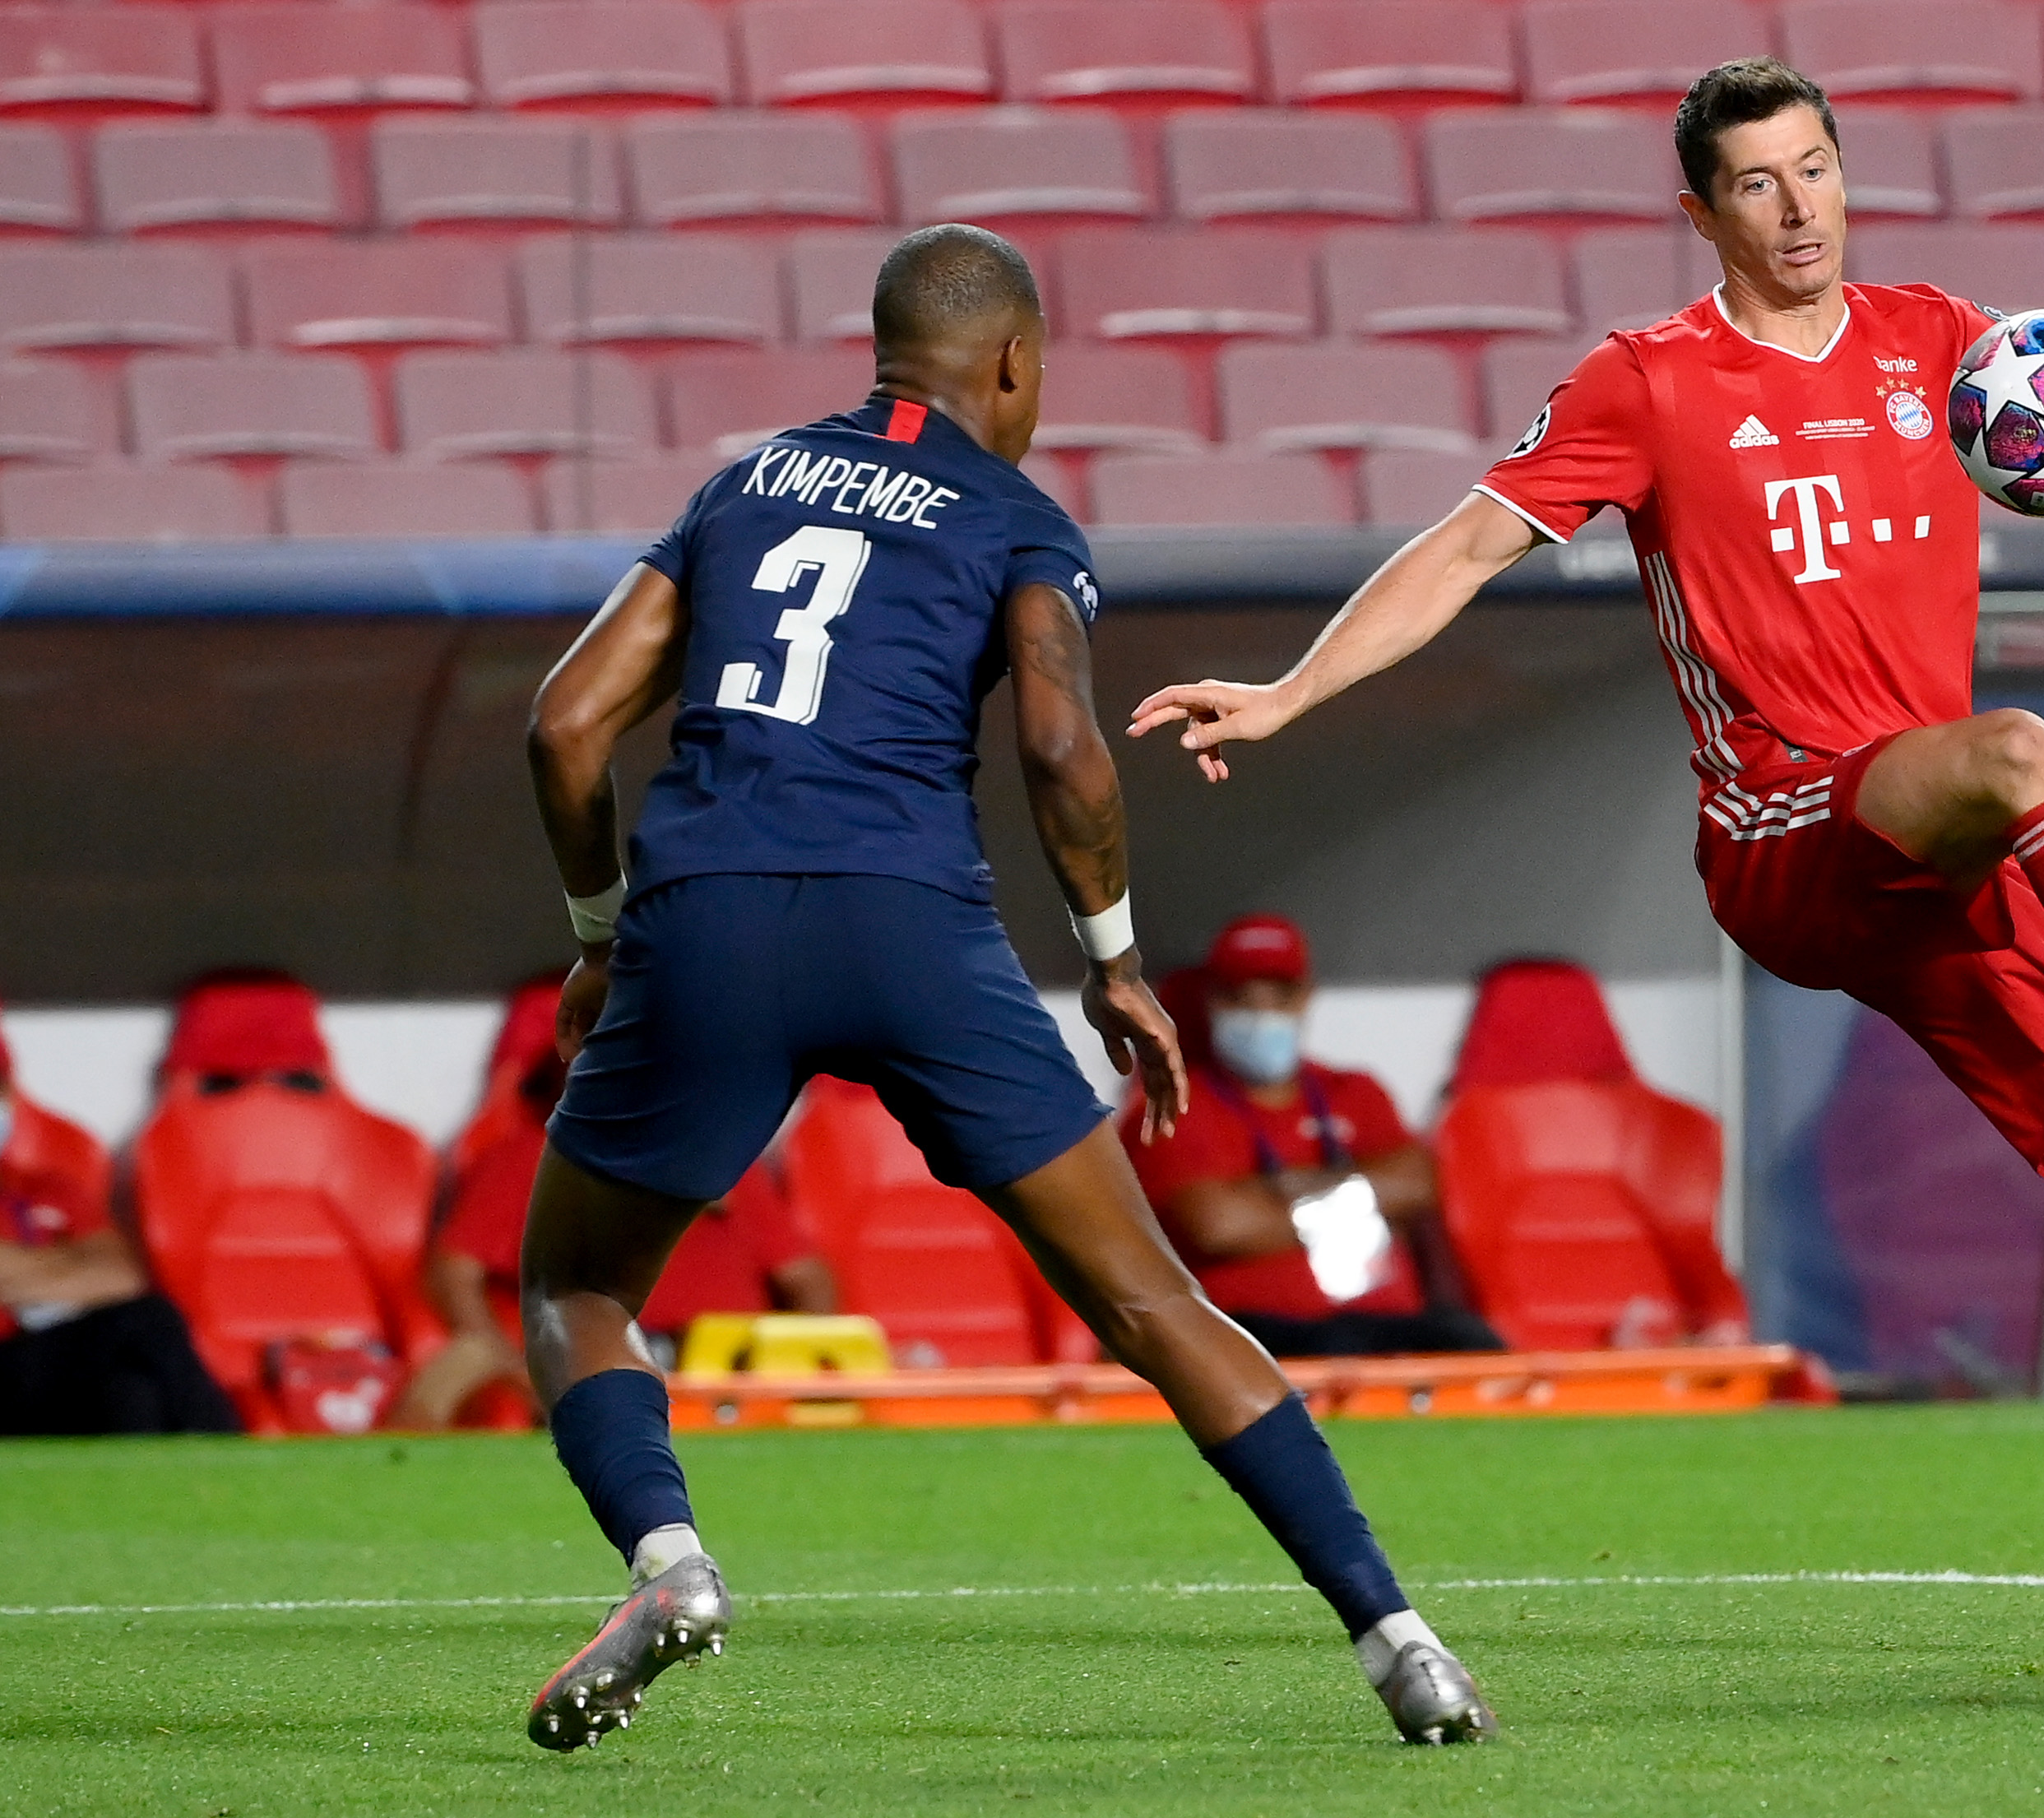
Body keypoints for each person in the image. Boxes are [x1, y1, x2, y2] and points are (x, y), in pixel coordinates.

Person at [1130, 60, 2044, 1662]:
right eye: (1757, 184)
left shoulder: (1943, 344)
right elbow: (1464, 545)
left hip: (1930, 846)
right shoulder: (1643, 382)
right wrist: (1293, 690)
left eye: (1816, 171)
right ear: (1699, 210)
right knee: (2016, 752)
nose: (1797, 209)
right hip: (1783, 832)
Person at [514, 224, 1492, 1751]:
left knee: (576, 1289)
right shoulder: (1017, 519)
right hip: (910, 921)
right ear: (1017, 363)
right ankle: (1400, 1641)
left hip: (704, 909)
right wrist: (1113, 964)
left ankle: (675, 1564)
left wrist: (596, 935)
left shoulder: (741, 485)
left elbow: (568, 723)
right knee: (1149, 1297)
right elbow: (1056, 750)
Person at [389, 1034, 832, 1431]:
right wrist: (514, 1367)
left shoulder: (720, 1157)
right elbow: (454, 1274)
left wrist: (790, 1372)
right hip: (598, 1373)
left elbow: (807, 1281)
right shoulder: (527, 1159)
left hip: (729, 1378)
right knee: (457, 1373)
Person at [1125, 915, 1501, 1358]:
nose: (1261, 1012)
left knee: (1475, 1342)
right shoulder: (1175, 1105)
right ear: (1211, 1001)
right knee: (1340, 1347)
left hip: (1386, 1319)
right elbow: (1219, 1227)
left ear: (1305, 997)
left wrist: (1278, 1192)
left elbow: (1419, 1184)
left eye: (1280, 995)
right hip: (1254, 1333)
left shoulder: (1356, 1091)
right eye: (1239, 997)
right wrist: (1358, 1191)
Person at [0, 1022, 239, 1436]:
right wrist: (63, 1268)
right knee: (147, 1323)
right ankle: (238, 1468)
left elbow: (121, 1275)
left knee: (132, 1385)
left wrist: (19, 1273)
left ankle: (173, 1496)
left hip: (56, 1361)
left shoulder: (45, 1187)